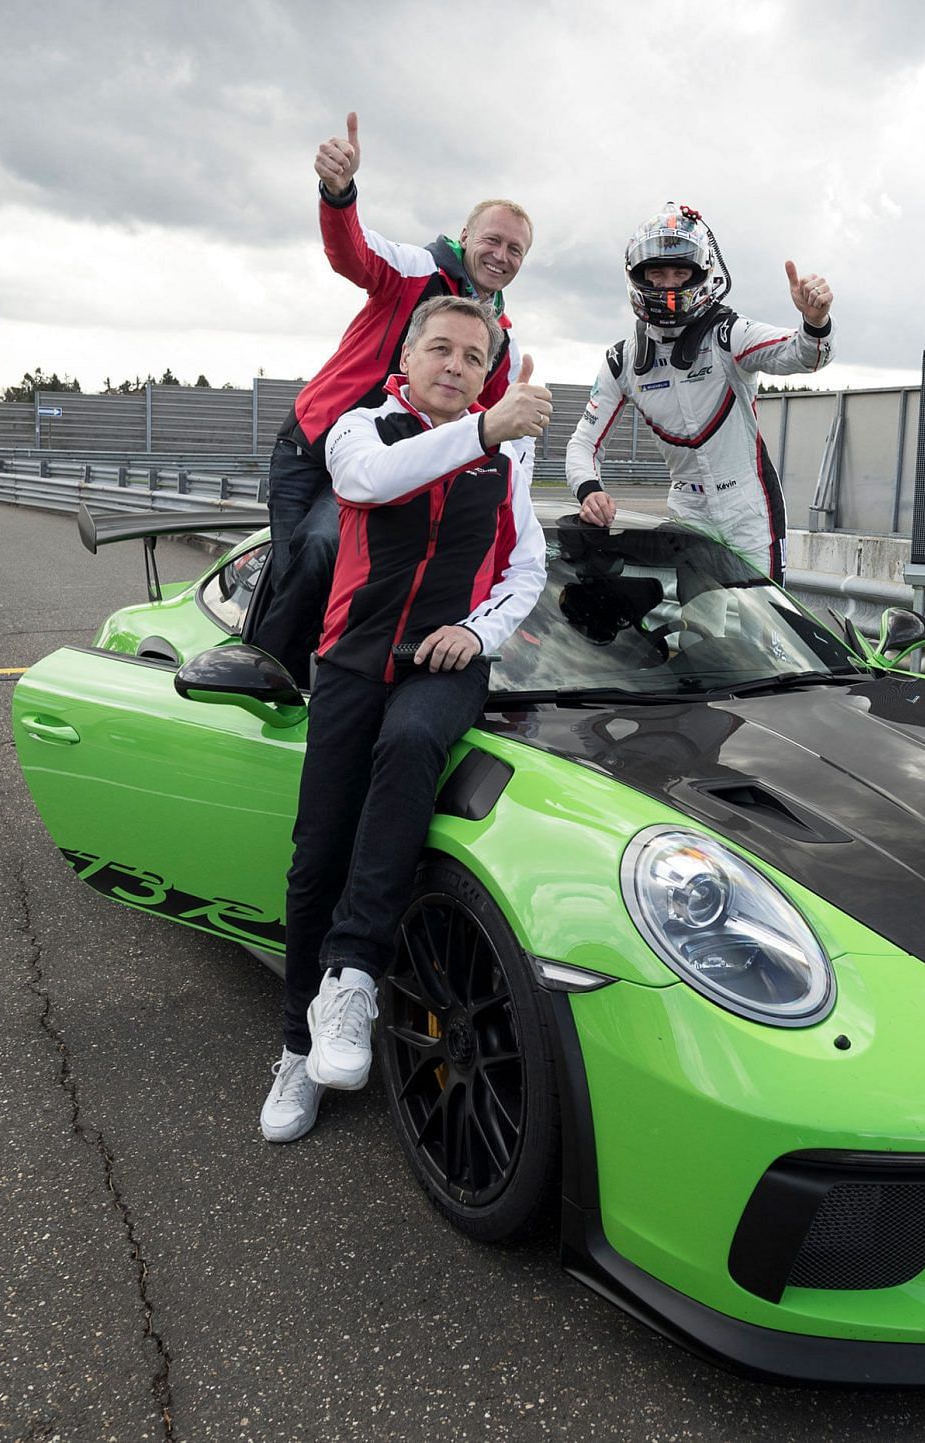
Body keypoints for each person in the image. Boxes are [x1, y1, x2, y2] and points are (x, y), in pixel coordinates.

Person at [260, 294, 553, 1143]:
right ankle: (293, 1049)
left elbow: (526, 566)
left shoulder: (505, 457)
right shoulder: (363, 428)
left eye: (472, 356)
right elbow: (369, 483)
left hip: (442, 662)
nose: (455, 366)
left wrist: (478, 628)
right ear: (411, 356)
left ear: (485, 368)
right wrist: (489, 428)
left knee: (415, 738)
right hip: (352, 662)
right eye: (441, 350)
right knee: (316, 859)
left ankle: (352, 978)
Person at [247, 111, 533, 681]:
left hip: (395, 464)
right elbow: (351, 251)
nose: (502, 255)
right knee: (309, 557)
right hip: (316, 444)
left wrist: (515, 520)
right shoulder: (417, 267)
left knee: (352, 576)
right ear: (466, 236)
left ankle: (329, 683)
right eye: (493, 240)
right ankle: (263, 676)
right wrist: (338, 191)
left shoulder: (499, 339)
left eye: (516, 250)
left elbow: (493, 431)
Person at [563, 203, 834, 580]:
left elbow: (804, 356)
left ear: (701, 274)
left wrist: (815, 321)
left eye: (680, 272)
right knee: (701, 632)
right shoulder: (621, 360)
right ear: (638, 277)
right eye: (657, 273)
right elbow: (582, 444)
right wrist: (589, 490)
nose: (669, 283)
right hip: (687, 511)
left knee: (767, 629)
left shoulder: (728, 333)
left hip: (749, 507)